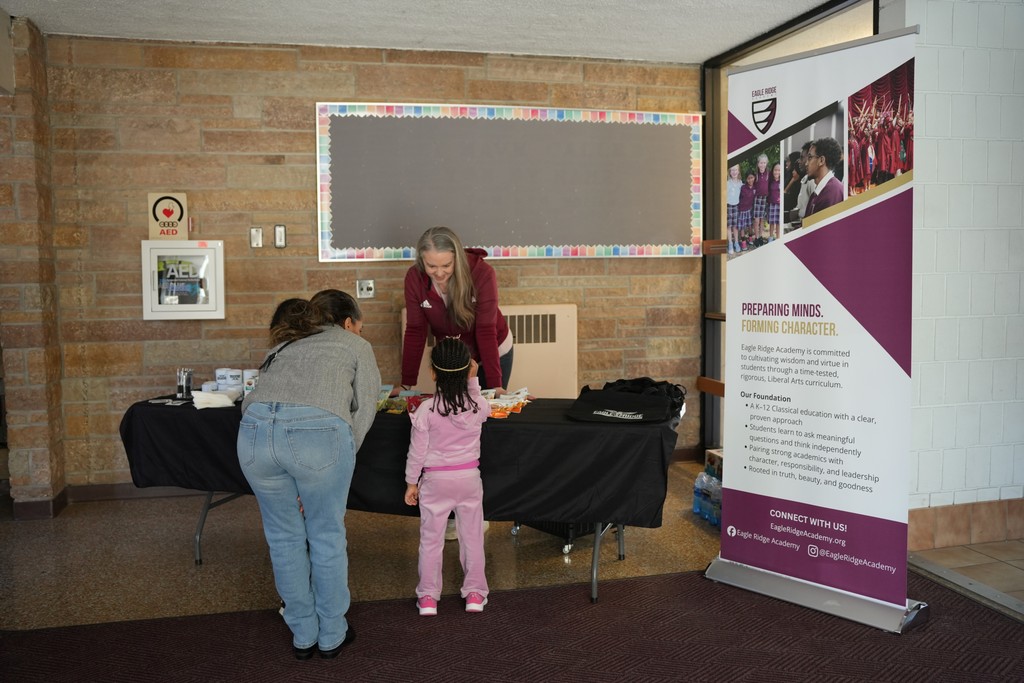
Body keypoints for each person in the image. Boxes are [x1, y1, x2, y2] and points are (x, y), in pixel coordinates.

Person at [237, 291, 380, 660]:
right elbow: (363, 412)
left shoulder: (284, 343)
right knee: (326, 535)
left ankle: (303, 632)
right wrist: (337, 461)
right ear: (349, 322)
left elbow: (257, 396)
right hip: (317, 435)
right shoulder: (354, 345)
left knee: (283, 538)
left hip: (253, 435)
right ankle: (332, 632)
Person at [403, 338, 490, 616]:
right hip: (468, 479)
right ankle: (475, 594)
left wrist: (411, 482)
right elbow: (484, 407)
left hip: (435, 482)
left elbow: (416, 452)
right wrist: (473, 382)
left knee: (430, 540)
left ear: (432, 373)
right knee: (472, 537)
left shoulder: (426, 411)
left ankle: (428, 597)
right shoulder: (477, 405)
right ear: (468, 372)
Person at [400, 226, 513, 396]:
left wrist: (495, 385)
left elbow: (485, 329)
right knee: (451, 411)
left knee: (486, 411)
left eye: (446, 265)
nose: (439, 273)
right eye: (431, 266)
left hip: (493, 350)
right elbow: (416, 330)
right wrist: (406, 385)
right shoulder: (414, 278)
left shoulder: (483, 274)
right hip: (453, 357)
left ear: (457, 259)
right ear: (421, 260)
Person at [804, 137, 845, 218]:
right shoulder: (817, 192)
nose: (806, 163)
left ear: (821, 161)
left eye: (809, 158)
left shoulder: (833, 192)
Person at [725, 164, 742, 254]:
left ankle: (736, 242)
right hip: (728, 206)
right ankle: (730, 244)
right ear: (730, 172)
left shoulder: (740, 183)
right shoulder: (727, 183)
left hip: (736, 206)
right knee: (728, 226)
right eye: (732, 170)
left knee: (735, 226)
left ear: (738, 171)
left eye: (736, 170)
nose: (734, 172)